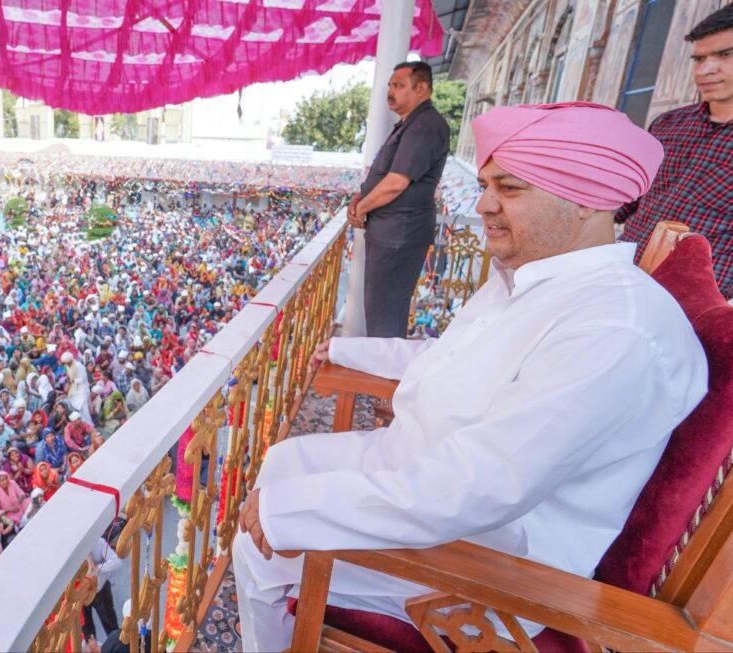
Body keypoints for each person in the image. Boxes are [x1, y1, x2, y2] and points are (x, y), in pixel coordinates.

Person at [231, 102, 708, 652]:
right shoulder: (536, 276)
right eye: (485, 185)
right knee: (283, 462)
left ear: (585, 199)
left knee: (260, 545)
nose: (482, 204)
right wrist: (351, 350)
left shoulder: (614, 329)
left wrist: (288, 514)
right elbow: (456, 358)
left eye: (508, 188)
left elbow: (476, 487)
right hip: (432, 480)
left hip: (485, 562)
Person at [616, 4, 733, 300]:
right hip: (621, 278)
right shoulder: (670, 124)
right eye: (699, 58)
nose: (705, 69)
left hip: (694, 308)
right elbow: (626, 199)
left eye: (725, 55)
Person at [349, 61, 450, 337]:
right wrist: (363, 195)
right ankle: (379, 369)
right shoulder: (411, 123)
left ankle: (381, 374)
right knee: (381, 310)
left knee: (385, 315)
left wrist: (361, 208)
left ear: (422, 89)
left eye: (399, 85)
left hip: (398, 235)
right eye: (390, 85)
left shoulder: (425, 126)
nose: (390, 92)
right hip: (392, 233)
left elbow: (396, 183)